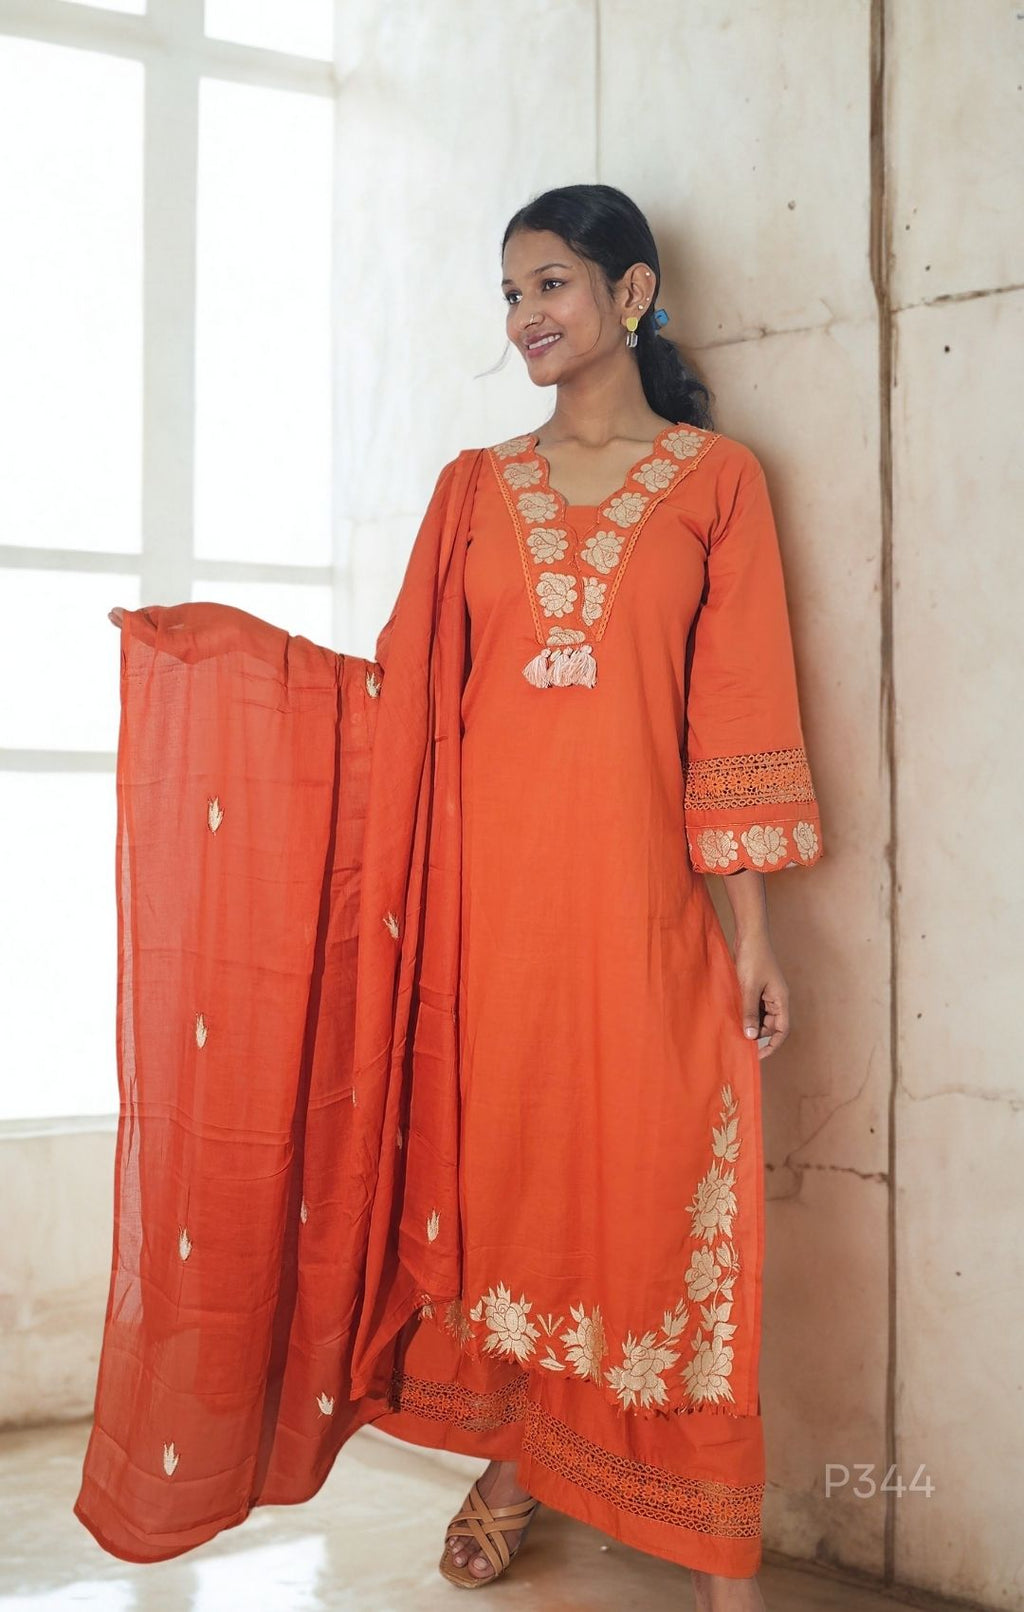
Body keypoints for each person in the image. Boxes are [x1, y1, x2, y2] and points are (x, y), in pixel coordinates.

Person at [97, 184, 823, 1610]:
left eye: (550, 284)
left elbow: (736, 726)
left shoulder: (716, 483)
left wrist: (754, 938)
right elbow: (400, 704)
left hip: (640, 922)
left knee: (654, 1207)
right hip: (481, 931)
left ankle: (714, 1548)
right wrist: (239, 678)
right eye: (509, 293)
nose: (525, 317)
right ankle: (513, 1463)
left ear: (631, 294)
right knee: (511, 1209)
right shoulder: (471, 490)